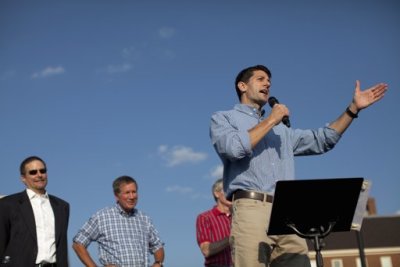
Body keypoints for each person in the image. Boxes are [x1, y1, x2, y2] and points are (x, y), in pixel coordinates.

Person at [209, 64, 388, 267]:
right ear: (242, 86)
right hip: (251, 209)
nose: (267, 83)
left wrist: (352, 109)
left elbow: (322, 140)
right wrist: (272, 119)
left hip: (287, 215)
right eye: (260, 79)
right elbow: (233, 149)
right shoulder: (224, 118)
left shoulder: (282, 132)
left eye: (269, 80)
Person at [72, 175, 165, 267]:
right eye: (127, 193)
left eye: (134, 192)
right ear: (117, 196)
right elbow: (78, 244)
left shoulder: (145, 219)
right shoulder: (102, 217)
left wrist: (158, 263)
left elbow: (157, 246)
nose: (132, 196)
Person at [0, 156, 70, 267]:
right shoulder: (7, 204)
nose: (39, 175)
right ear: (23, 178)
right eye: (33, 172)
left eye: (42, 171)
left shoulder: (62, 206)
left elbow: (61, 246)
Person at [196, 178, 233, 267]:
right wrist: (232, 237)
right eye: (228, 189)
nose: (231, 193)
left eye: (233, 190)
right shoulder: (205, 217)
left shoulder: (240, 217)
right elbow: (206, 250)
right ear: (216, 193)